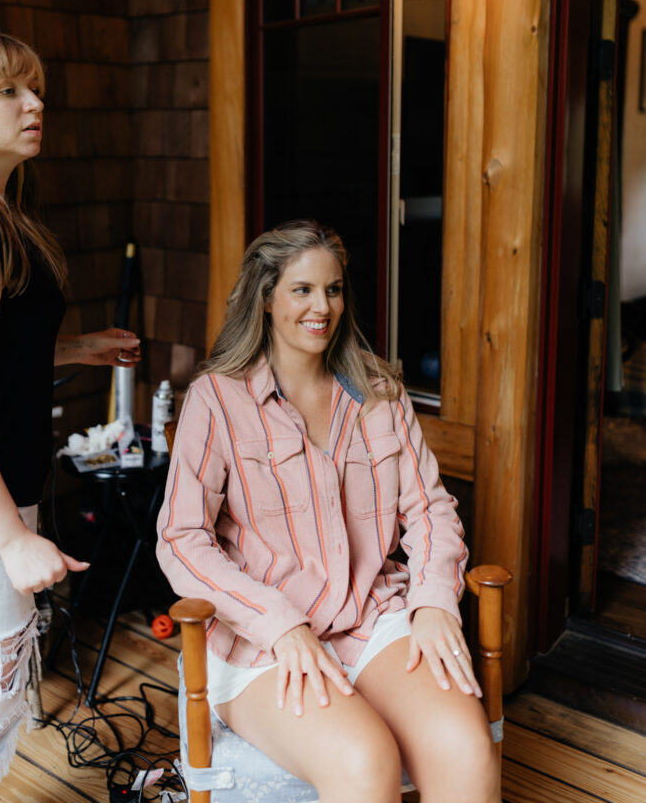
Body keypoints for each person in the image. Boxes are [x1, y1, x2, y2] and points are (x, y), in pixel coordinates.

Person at [157, 220, 499, 803]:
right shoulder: (218, 400)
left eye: (333, 289)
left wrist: (435, 602)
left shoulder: (379, 393)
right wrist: (278, 621)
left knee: (465, 747)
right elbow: (181, 538)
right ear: (266, 298)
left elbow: (431, 510)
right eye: (303, 290)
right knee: (365, 762)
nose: (323, 307)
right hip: (264, 642)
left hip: (371, 617)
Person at [0, 30, 141, 803]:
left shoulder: (0, 213)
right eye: (7, 91)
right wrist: (11, 539)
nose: (34, 104)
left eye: (35, 88)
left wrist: (76, 346)